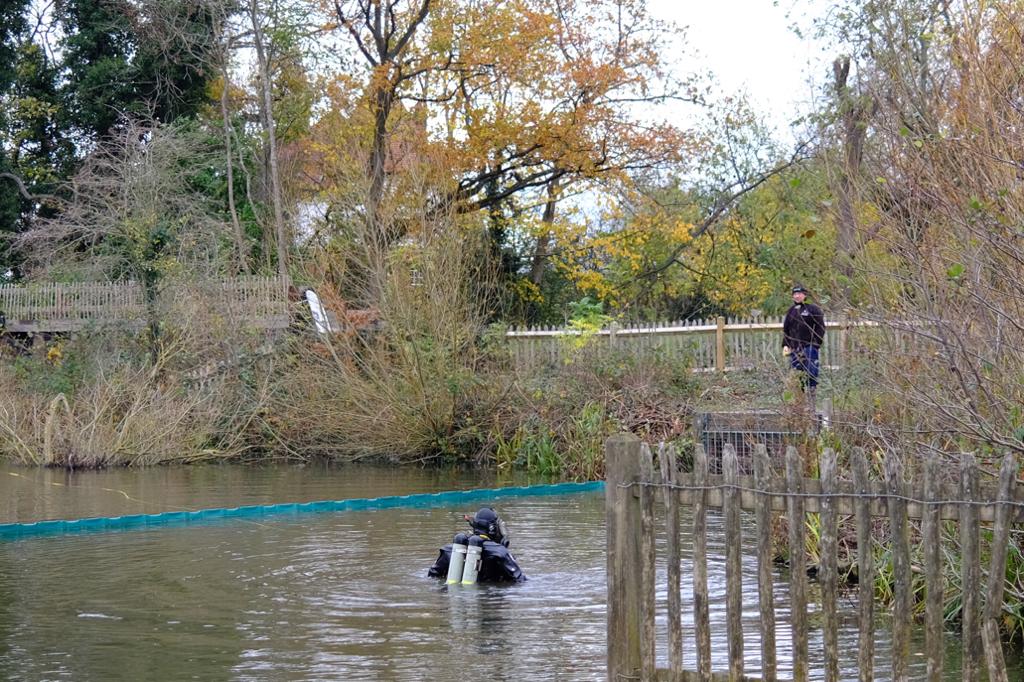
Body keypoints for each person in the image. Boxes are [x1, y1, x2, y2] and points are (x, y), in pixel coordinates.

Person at [428, 507, 526, 583]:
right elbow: (520, 580)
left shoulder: (449, 550)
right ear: (493, 528)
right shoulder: (500, 552)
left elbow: (432, 575)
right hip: (488, 601)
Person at [782, 284, 826, 402]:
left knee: (811, 372)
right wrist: (786, 345)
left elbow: (820, 328)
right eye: (794, 294)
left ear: (805, 295)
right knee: (797, 374)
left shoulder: (813, 309)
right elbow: (786, 330)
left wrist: (816, 344)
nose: (796, 296)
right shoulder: (791, 311)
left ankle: (812, 399)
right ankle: (799, 401)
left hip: (809, 347)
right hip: (795, 349)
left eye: (799, 294)